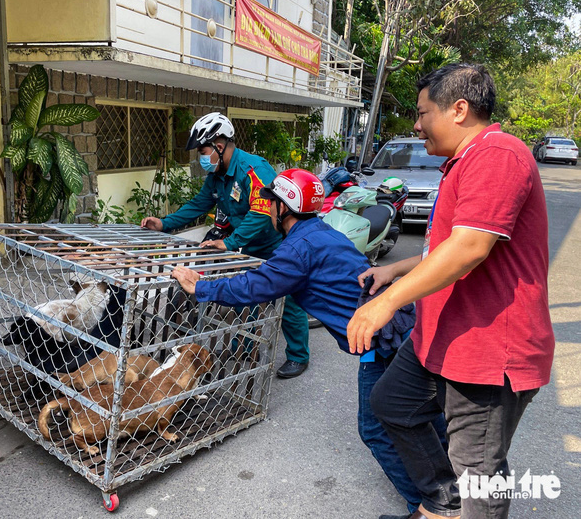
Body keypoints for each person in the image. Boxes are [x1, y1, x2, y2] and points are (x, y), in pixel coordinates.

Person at [347, 64, 555, 519]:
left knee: (478, 473)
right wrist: (394, 272)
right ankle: (442, 506)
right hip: (440, 338)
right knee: (391, 403)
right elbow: (444, 249)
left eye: (423, 113)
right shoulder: (462, 160)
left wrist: (386, 303)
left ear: (459, 109)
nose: (417, 124)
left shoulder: (499, 153)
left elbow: (469, 248)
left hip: (487, 352)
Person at [172, 169, 444, 516]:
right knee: (423, 417)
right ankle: (450, 497)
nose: (269, 209)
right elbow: (269, 276)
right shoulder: (321, 231)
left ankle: (425, 506)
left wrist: (201, 287)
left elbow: (253, 287)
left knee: (376, 428)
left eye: (272, 204)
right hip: (405, 327)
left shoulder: (298, 249)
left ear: (284, 209)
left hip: (383, 341)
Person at [141, 112, 311, 378]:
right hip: (249, 246)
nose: (201, 156)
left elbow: (261, 212)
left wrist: (230, 242)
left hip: (278, 244)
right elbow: (199, 204)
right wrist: (164, 224)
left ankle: (299, 356)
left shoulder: (253, 169)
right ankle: (242, 345)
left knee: (288, 299)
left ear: (219, 146)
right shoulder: (218, 176)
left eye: (203, 150)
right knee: (246, 296)